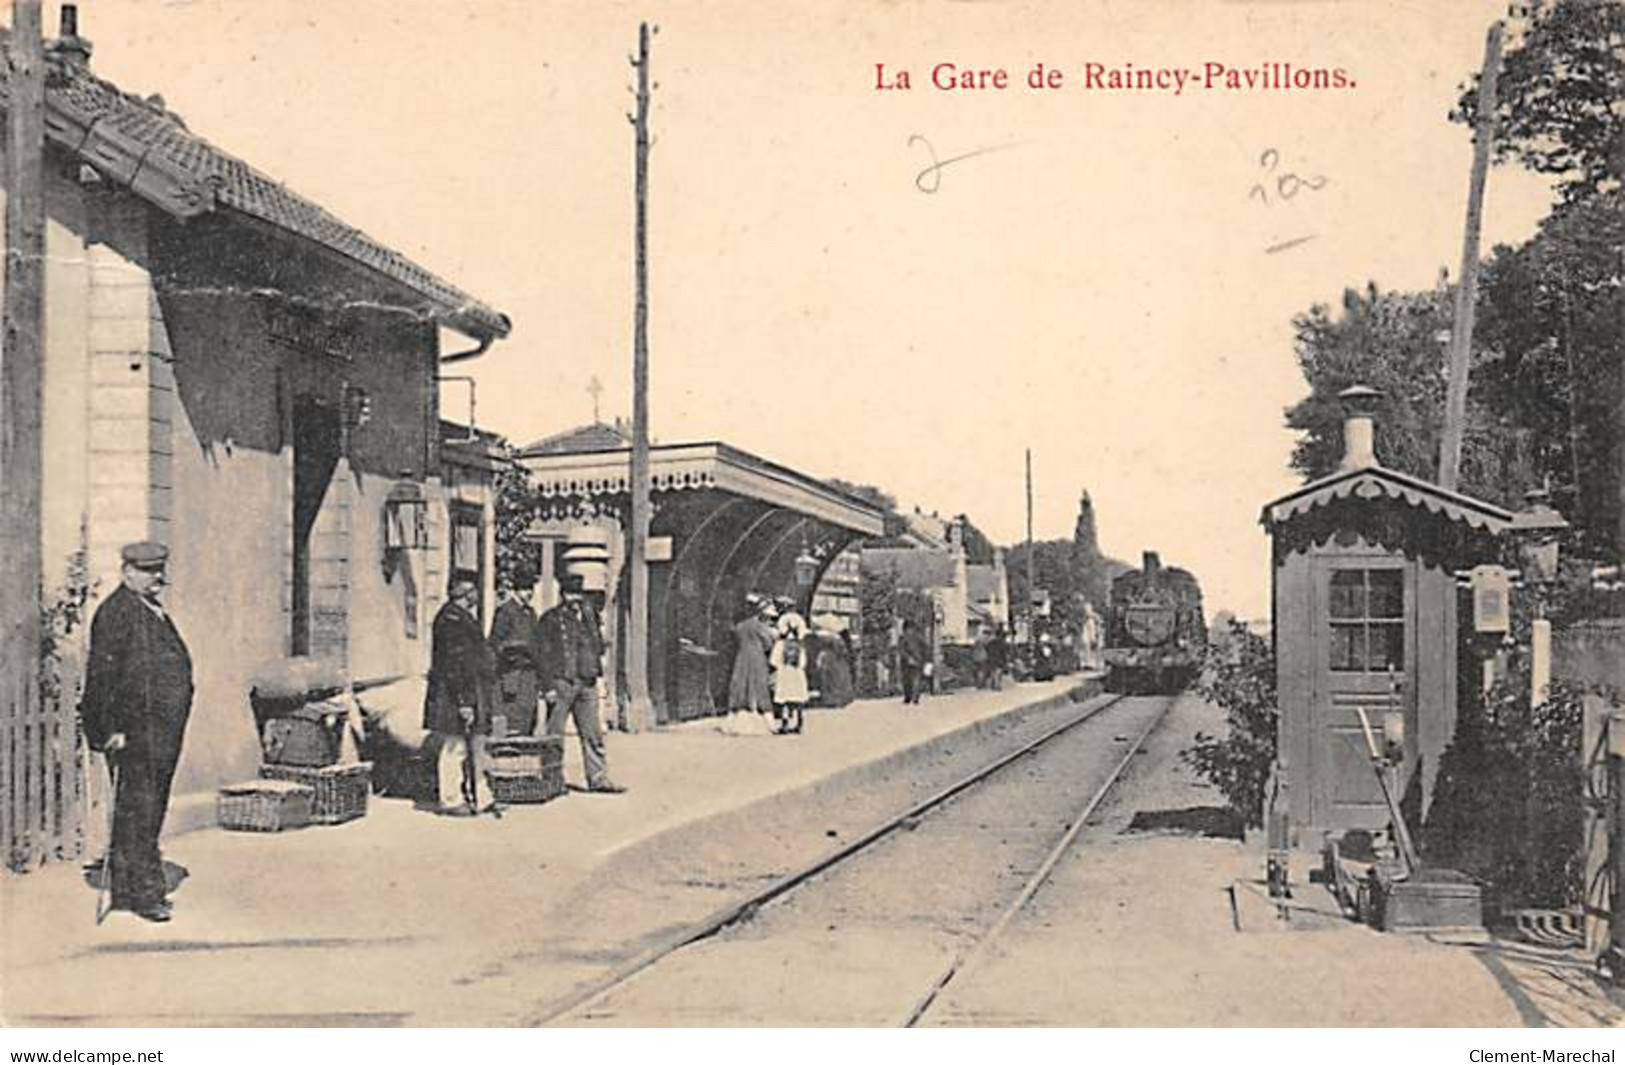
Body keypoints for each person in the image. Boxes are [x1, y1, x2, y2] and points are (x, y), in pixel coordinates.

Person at [80, 541, 194, 923]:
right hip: (135, 732)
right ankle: (144, 894)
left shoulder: (149, 609)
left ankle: (133, 884)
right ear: (126, 571)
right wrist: (108, 728)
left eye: (159, 569)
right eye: (147, 570)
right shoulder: (115, 613)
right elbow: (101, 677)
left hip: (159, 731)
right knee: (140, 810)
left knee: (146, 808)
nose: (157, 577)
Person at [538, 573, 625, 792]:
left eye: (577, 593)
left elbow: (598, 644)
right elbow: (542, 655)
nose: (574, 598)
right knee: (554, 734)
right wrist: (547, 686)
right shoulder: (550, 619)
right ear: (562, 595)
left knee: (593, 733)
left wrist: (596, 671)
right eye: (570, 594)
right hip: (561, 682)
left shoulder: (590, 616)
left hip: (586, 682)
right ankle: (552, 779)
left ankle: (598, 778)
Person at [424, 577, 500, 816]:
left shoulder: (461, 616)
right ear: (464, 592)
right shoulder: (451, 620)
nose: (476, 594)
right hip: (455, 693)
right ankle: (451, 799)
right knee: (454, 746)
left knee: (477, 745)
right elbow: (456, 664)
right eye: (473, 589)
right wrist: (464, 703)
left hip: (470, 690)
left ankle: (482, 796)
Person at [488, 565, 542, 737]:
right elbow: (495, 644)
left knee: (528, 720)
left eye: (530, 589)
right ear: (516, 590)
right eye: (525, 589)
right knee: (514, 722)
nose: (528, 593)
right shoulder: (505, 612)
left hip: (529, 674)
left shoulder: (531, 613)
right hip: (512, 674)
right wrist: (516, 645)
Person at [725, 595, 776, 735]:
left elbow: (734, 638)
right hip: (758, 658)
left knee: (739, 686)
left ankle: (729, 724)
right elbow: (768, 642)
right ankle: (770, 724)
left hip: (742, 657)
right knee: (760, 687)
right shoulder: (760, 626)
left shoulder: (740, 626)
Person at [771, 599, 809, 734]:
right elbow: (803, 663)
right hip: (797, 674)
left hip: (784, 673)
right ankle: (799, 723)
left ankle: (785, 724)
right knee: (798, 699)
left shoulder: (780, 645)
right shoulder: (800, 648)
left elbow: (774, 662)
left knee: (784, 699)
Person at [899, 618, 930, 705]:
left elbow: (901, 650)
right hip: (918, 661)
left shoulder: (903, 638)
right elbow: (926, 648)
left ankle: (908, 697)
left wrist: (908, 658)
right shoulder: (919, 637)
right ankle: (915, 697)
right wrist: (925, 659)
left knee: (907, 681)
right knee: (916, 679)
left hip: (906, 662)